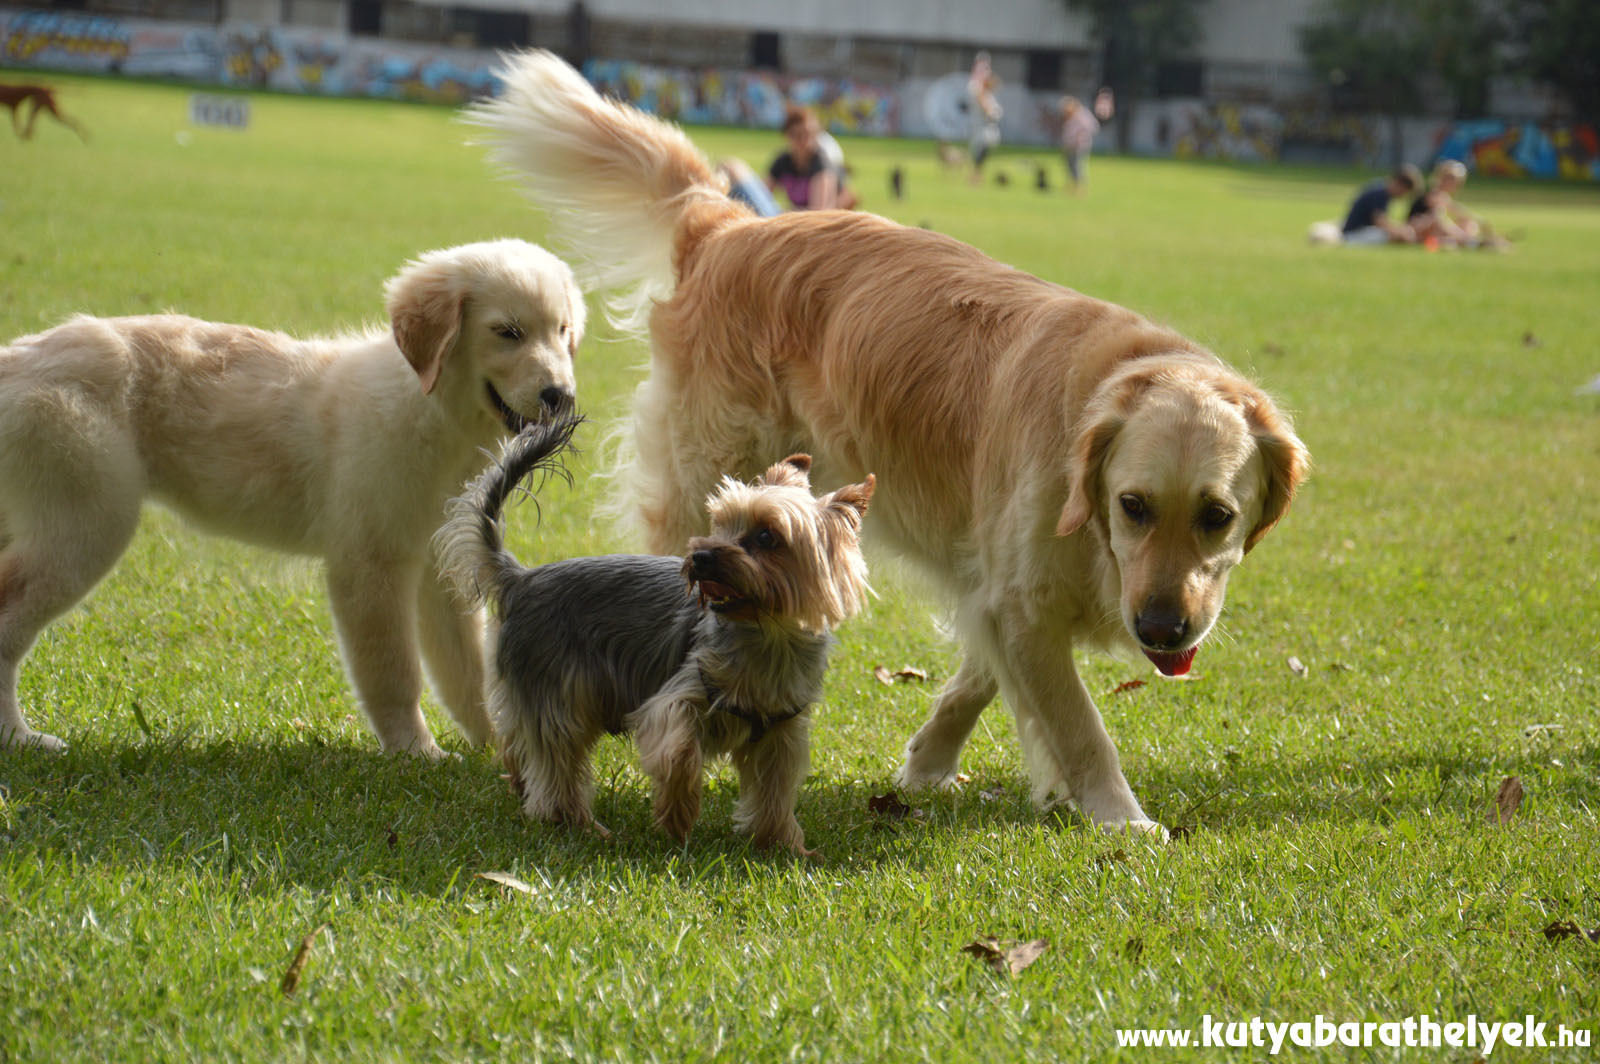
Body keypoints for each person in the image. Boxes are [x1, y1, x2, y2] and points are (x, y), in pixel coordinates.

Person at [766, 104, 858, 210]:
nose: (805, 141)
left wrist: (785, 212)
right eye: (798, 135)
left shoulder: (821, 163)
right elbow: (761, 194)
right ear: (787, 135)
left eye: (810, 135)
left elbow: (818, 213)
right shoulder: (783, 161)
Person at [1408, 159, 1507, 250]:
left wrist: (1480, 222)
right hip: (1417, 229)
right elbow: (1449, 210)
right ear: (1439, 177)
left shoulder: (1444, 196)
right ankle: (1471, 242)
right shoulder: (1432, 193)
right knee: (1437, 218)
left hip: (1433, 231)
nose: (1451, 183)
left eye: (1455, 181)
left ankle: (1459, 241)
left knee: (1469, 223)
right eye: (1448, 178)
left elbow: (1459, 212)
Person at [1339, 164, 1424, 245]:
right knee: (1393, 236)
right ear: (1400, 185)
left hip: (1359, 231)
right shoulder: (1380, 193)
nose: (1402, 196)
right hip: (1354, 234)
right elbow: (1380, 222)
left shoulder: (1381, 188)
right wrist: (1402, 231)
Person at [966, 52, 1002, 185]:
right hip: (981, 124)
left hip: (987, 124)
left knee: (984, 148)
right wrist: (989, 111)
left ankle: (976, 174)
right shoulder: (976, 85)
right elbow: (980, 97)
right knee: (980, 148)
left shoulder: (987, 90)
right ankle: (975, 175)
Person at [1059, 95, 1102, 194]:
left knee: (1078, 166)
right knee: (1069, 166)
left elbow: (1092, 127)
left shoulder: (1082, 115)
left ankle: (1080, 188)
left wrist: (1079, 136)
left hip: (1079, 145)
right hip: (1069, 145)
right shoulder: (1070, 117)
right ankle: (1071, 186)